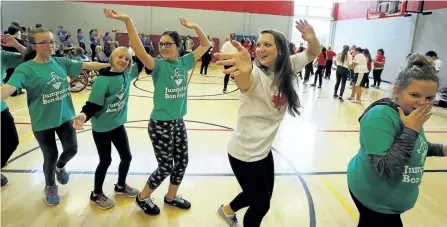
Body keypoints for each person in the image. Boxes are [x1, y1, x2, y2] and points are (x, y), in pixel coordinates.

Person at [103, 8, 211, 215]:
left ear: (178, 46)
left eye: (168, 43)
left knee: (182, 162)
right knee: (165, 167)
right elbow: (139, 49)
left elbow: (205, 45)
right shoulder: (158, 65)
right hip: (160, 124)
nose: (163, 47)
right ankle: (142, 198)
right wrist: (127, 20)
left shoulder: (185, 62)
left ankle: (170, 197)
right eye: (161, 44)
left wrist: (195, 26)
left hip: (178, 121)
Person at [214, 19, 320, 227]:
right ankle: (228, 212)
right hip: (244, 154)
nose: (260, 49)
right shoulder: (253, 74)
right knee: (261, 205)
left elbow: (313, 52)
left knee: (260, 196)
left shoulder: (287, 67)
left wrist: (312, 38)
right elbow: (245, 81)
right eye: (259, 44)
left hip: (263, 151)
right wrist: (243, 71)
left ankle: (226, 210)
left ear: (280, 50)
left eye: (267, 44)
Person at [0, 28, 110, 205]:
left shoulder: (59, 62)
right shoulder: (25, 69)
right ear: (35, 46)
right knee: (50, 155)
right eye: (45, 42)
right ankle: (50, 186)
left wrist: (109, 65)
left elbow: (86, 65)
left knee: (72, 149)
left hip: (64, 116)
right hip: (42, 121)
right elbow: (9, 87)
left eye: (52, 41)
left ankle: (60, 167)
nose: (50, 45)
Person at [347, 54, 446, 227]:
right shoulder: (380, 116)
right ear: (397, 91)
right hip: (375, 199)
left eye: (429, 98)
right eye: (415, 94)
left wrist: (442, 149)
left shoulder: (410, 114)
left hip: (389, 202)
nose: (423, 102)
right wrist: (411, 130)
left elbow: (416, 147)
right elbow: (384, 168)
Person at [72, 47, 145, 209]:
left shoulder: (127, 74)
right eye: (120, 57)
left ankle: (120, 186)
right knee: (106, 161)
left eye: (127, 59)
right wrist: (83, 116)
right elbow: (92, 105)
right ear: (111, 58)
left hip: (118, 125)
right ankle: (96, 194)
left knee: (126, 157)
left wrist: (135, 48)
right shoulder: (102, 80)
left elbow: (141, 63)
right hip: (102, 128)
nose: (123, 61)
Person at [0, 34, 27, 186]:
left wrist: (16, 45)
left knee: (11, 141)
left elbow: (30, 58)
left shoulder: (2, 56)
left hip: (0, 107)